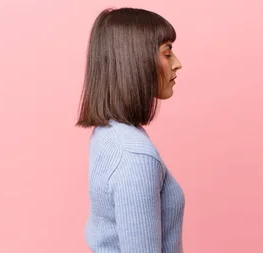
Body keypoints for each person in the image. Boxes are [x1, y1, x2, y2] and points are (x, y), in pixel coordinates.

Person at [75, 7, 185, 253]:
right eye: (167, 53)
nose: (177, 64)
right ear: (136, 61)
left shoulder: (109, 133)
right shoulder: (133, 156)